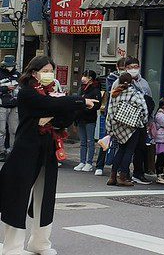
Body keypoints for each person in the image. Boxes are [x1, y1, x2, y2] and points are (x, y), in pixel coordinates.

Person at [0, 55, 97, 255]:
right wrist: (78, 101)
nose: (48, 74)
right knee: (17, 198)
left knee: (45, 198)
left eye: (50, 70)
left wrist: (66, 109)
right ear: (34, 72)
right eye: (44, 70)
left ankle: (40, 242)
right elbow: (49, 106)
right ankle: (12, 246)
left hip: (48, 148)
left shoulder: (55, 93)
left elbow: (64, 116)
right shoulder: (27, 92)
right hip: (26, 150)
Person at [112, 57, 153, 185]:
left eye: (135, 67)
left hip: (120, 123)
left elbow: (111, 106)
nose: (133, 70)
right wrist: (145, 120)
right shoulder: (131, 91)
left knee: (129, 149)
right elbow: (145, 107)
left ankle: (118, 175)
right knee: (128, 150)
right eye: (130, 67)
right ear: (125, 69)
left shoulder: (144, 83)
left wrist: (110, 125)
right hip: (134, 123)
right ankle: (123, 175)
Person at [106, 72, 148, 188]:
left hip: (117, 127)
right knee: (129, 151)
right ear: (132, 82)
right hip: (132, 127)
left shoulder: (114, 94)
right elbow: (144, 110)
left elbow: (110, 112)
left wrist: (110, 129)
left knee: (120, 150)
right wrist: (143, 122)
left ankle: (113, 176)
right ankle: (123, 177)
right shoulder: (135, 94)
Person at [95, 57, 126, 176]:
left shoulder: (133, 80)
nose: (123, 71)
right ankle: (99, 166)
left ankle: (118, 168)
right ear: (118, 68)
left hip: (124, 114)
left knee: (121, 142)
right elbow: (111, 90)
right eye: (122, 69)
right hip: (111, 113)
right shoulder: (112, 78)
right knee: (106, 139)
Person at [74, 70, 102, 172]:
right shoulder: (81, 89)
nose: (83, 78)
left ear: (91, 78)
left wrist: (87, 107)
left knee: (90, 141)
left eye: (85, 76)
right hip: (80, 118)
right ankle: (82, 161)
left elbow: (97, 105)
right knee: (83, 142)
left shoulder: (95, 90)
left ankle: (89, 162)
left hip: (90, 119)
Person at [0, 54, 20, 162]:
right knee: (1, 130)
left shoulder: (17, 74)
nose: (10, 67)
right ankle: (1, 151)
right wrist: (5, 88)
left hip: (14, 105)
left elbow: (22, 87)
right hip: (2, 105)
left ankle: (12, 151)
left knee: (14, 129)